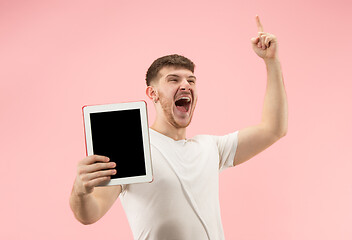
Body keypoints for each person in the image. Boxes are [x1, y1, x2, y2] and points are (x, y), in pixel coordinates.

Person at [69, 15, 288, 240]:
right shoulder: (132, 148)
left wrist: (271, 61)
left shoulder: (211, 147)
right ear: (152, 93)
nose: (185, 85)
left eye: (191, 81)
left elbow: (274, 128)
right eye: (174, 80)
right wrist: (80, 189)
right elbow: (89, 214)